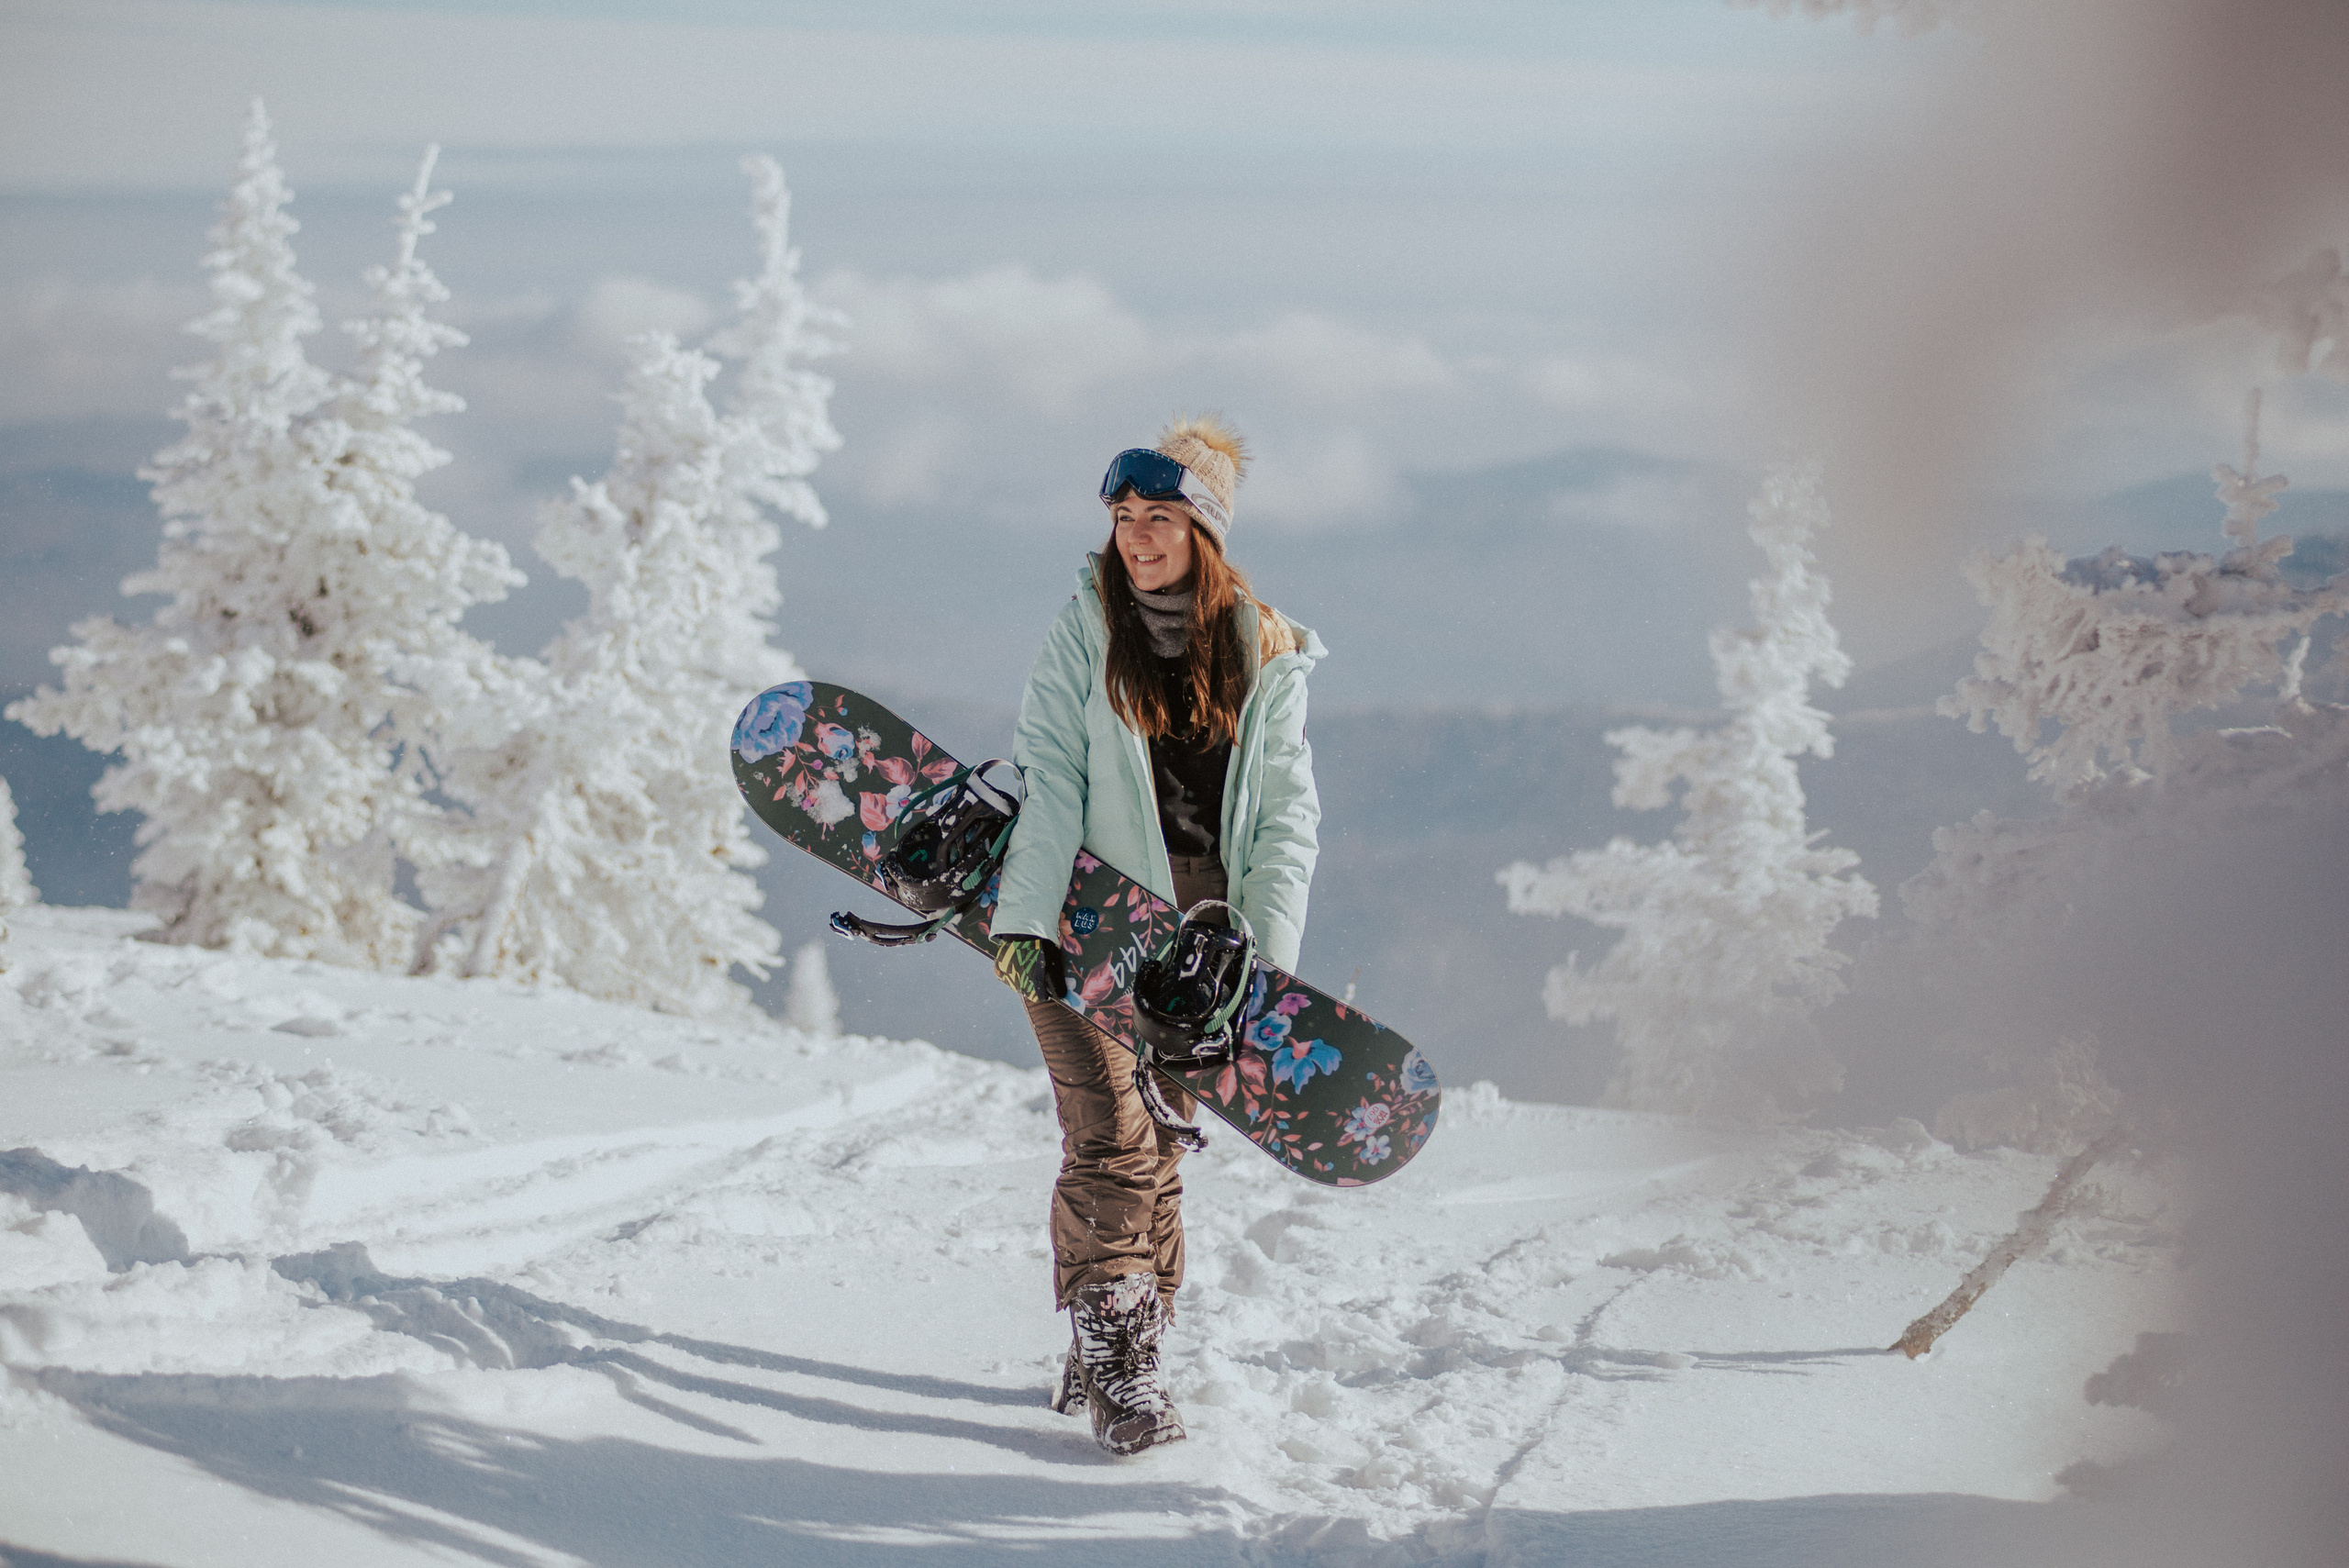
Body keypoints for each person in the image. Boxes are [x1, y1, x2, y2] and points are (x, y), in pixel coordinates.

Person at [988, 415, 1325, 1455]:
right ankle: (1122, 1365)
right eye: (1122, 515)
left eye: (1159, 517)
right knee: (1113, 1135)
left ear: (1204, 530)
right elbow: (1051, 775)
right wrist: (1026, 916)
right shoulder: (1084, 629)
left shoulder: (1263, 650)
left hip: (1199, 945)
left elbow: (1284, 818)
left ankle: (1119, 1330)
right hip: (1087, 914)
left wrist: (1262, 967)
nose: (1134, 535)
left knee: (1161, 1141)